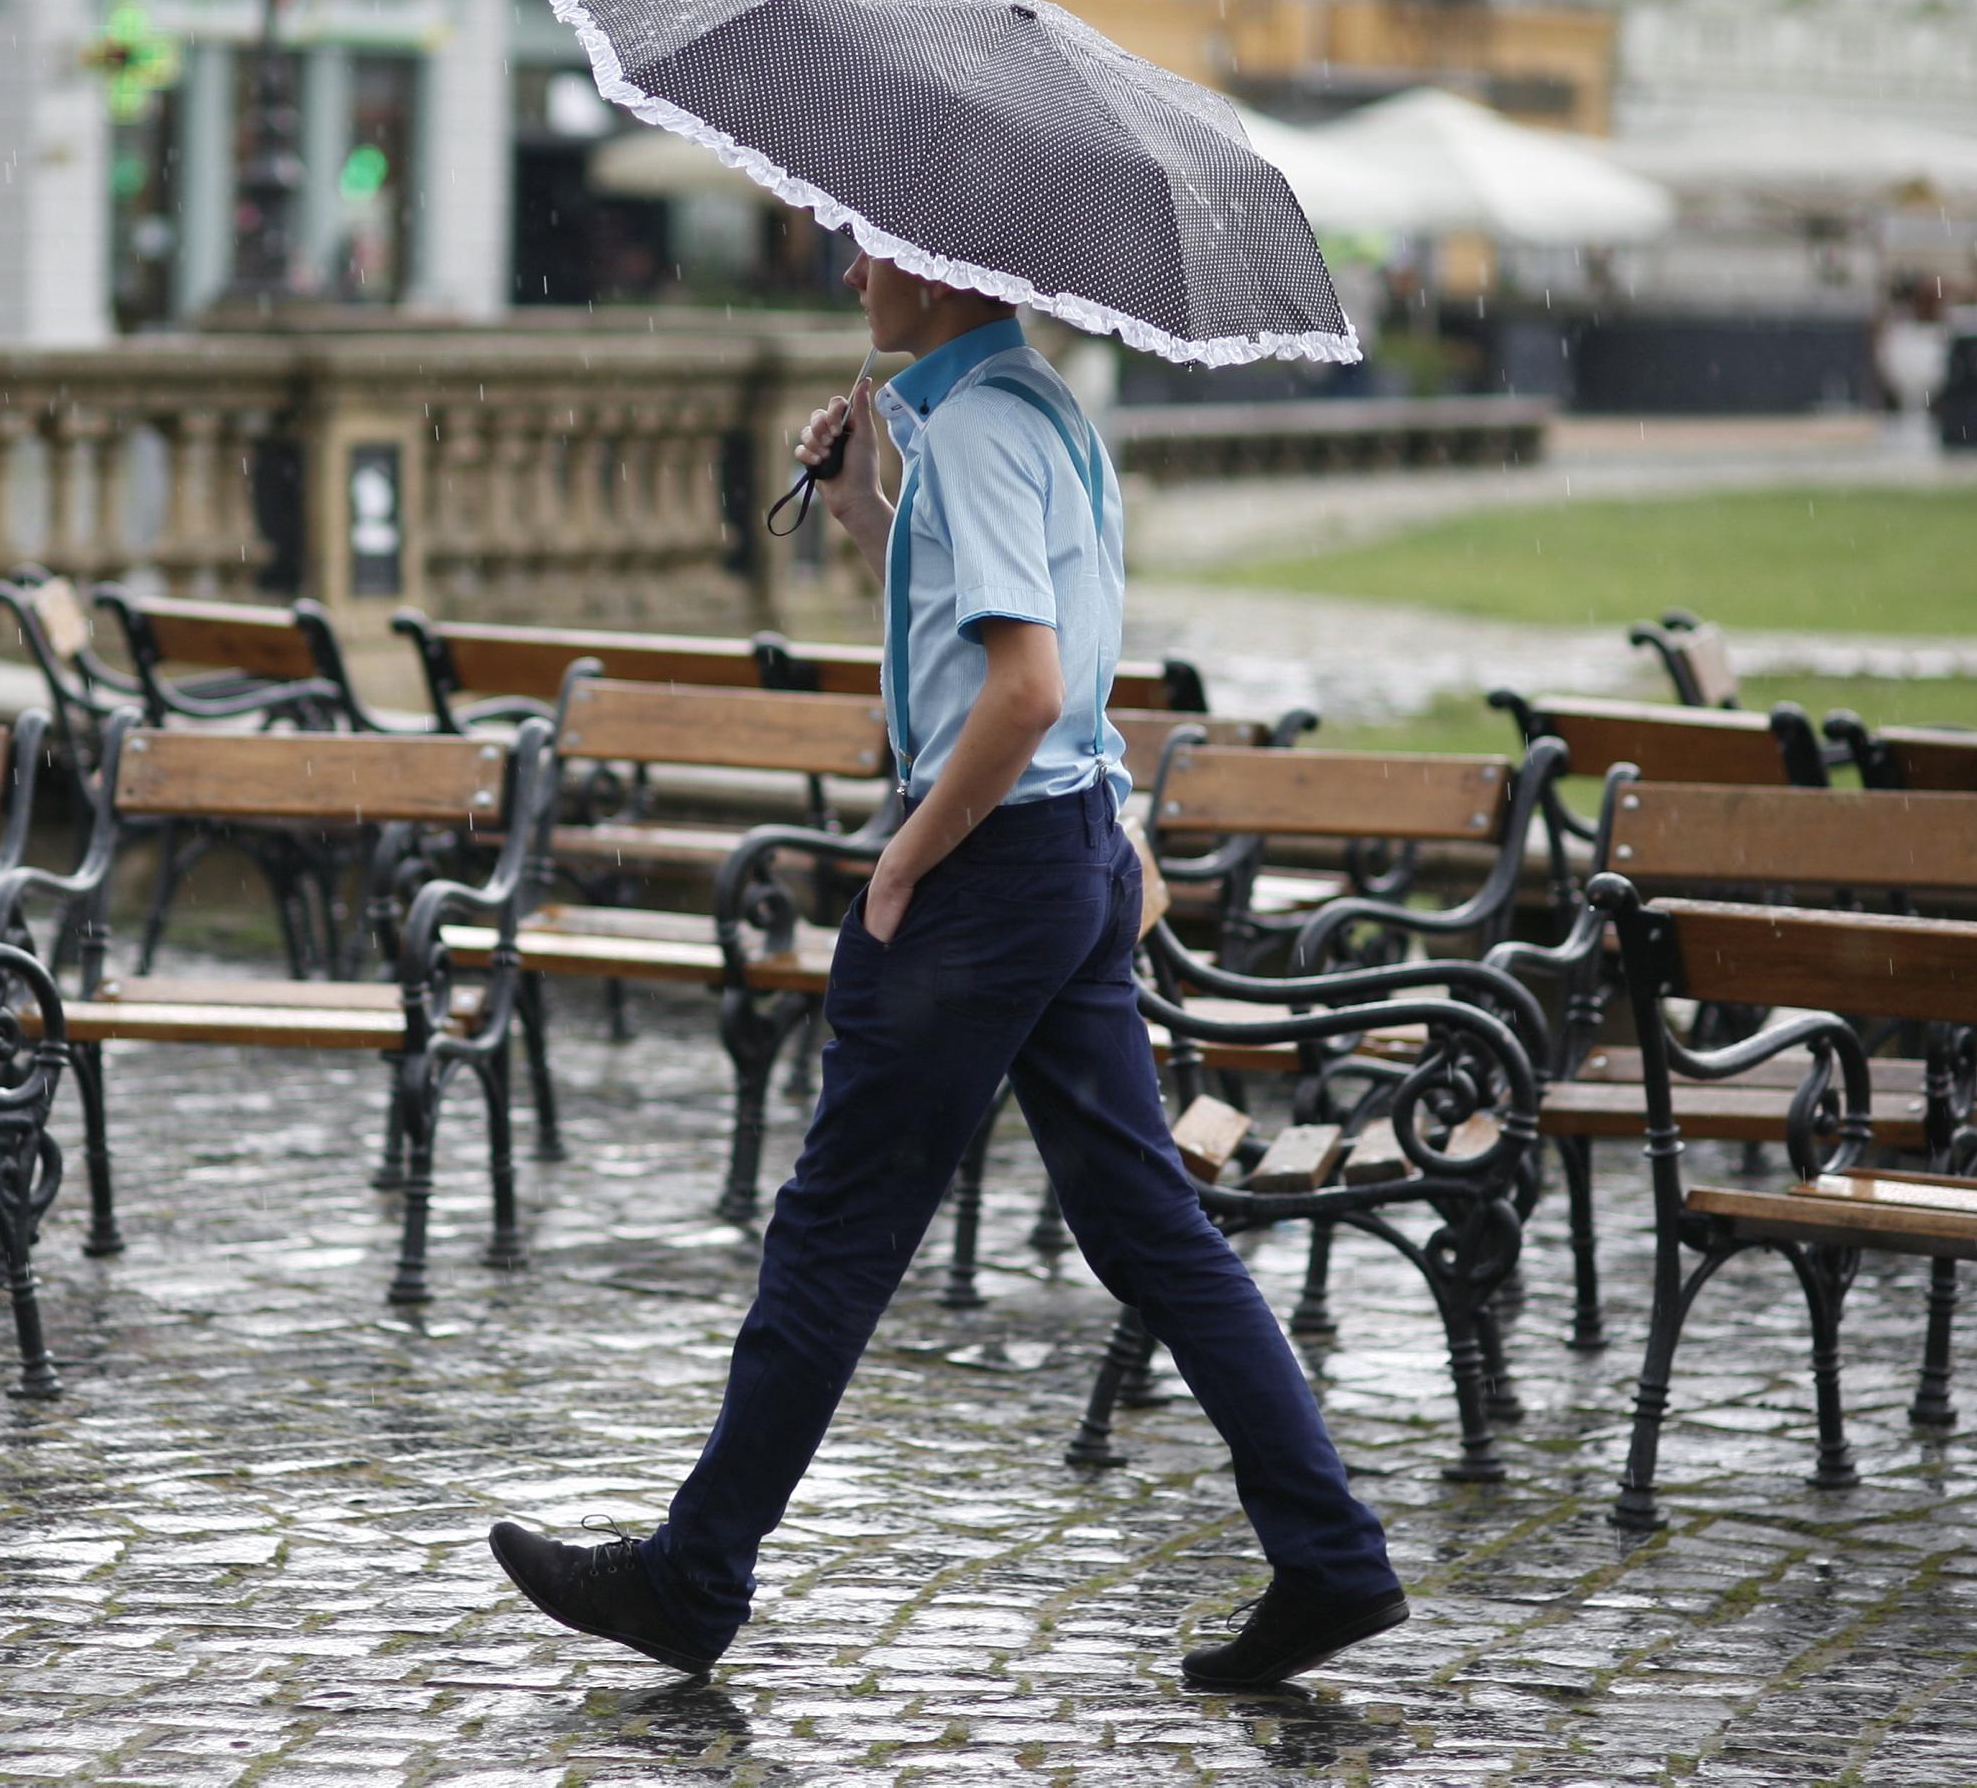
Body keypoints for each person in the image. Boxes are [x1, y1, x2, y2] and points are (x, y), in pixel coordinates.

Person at [488, 250, 1408, 1691]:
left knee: (837, 1231)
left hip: (993, 875)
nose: (854, 265)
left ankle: (692, 1572)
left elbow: (1028, 689)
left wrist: (906, 860)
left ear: (938, 267)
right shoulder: (1028, 409)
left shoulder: (978, 428)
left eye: (875, 245)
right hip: (1071, 855)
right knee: (1149, 1224)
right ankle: (1331, 1553)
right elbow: (988, 635)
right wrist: (864, 506)